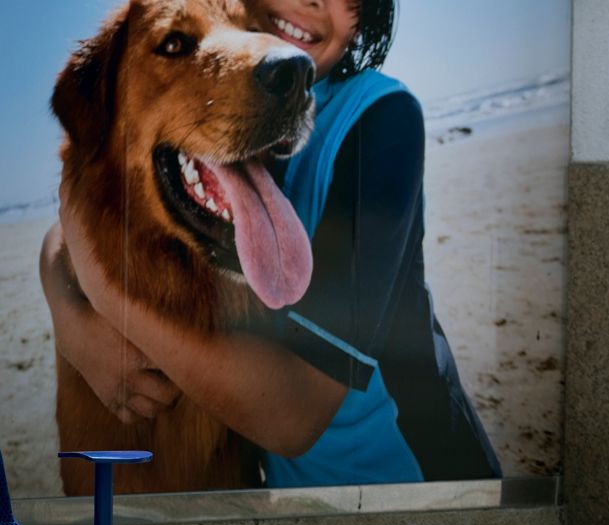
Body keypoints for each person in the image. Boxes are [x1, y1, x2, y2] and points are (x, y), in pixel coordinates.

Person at [41, 0, 500, 487]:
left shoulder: (380, 119)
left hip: (420, 483)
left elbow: (293, 416)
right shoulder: (246, 110)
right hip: (287, 499)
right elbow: (84, 196)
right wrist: (67, 307)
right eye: (175, 44)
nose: (314, 2)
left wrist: (101, 294)